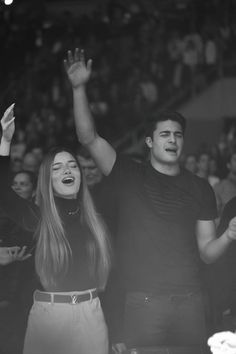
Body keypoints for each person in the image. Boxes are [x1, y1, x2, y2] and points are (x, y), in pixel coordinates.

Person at [64, 48, 236, 352]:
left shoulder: (200, 188)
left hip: (190, 302)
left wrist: (230, 235)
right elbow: (88, 138)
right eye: (165, 134)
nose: (172, 140)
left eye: (178, 135)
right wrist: (79, 89)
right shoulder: (128, 173)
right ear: (149, 142)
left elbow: (207, 253)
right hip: (142, 302)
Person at [0, 103, 112, 354]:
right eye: (58, 167)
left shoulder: (95, 219)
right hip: (50, 316)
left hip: (91, 312)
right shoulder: (39, 218)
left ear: (81, 175)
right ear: (47, 179)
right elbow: (3, 193)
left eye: (72, 165)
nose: (67, 170)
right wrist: (5, 142)